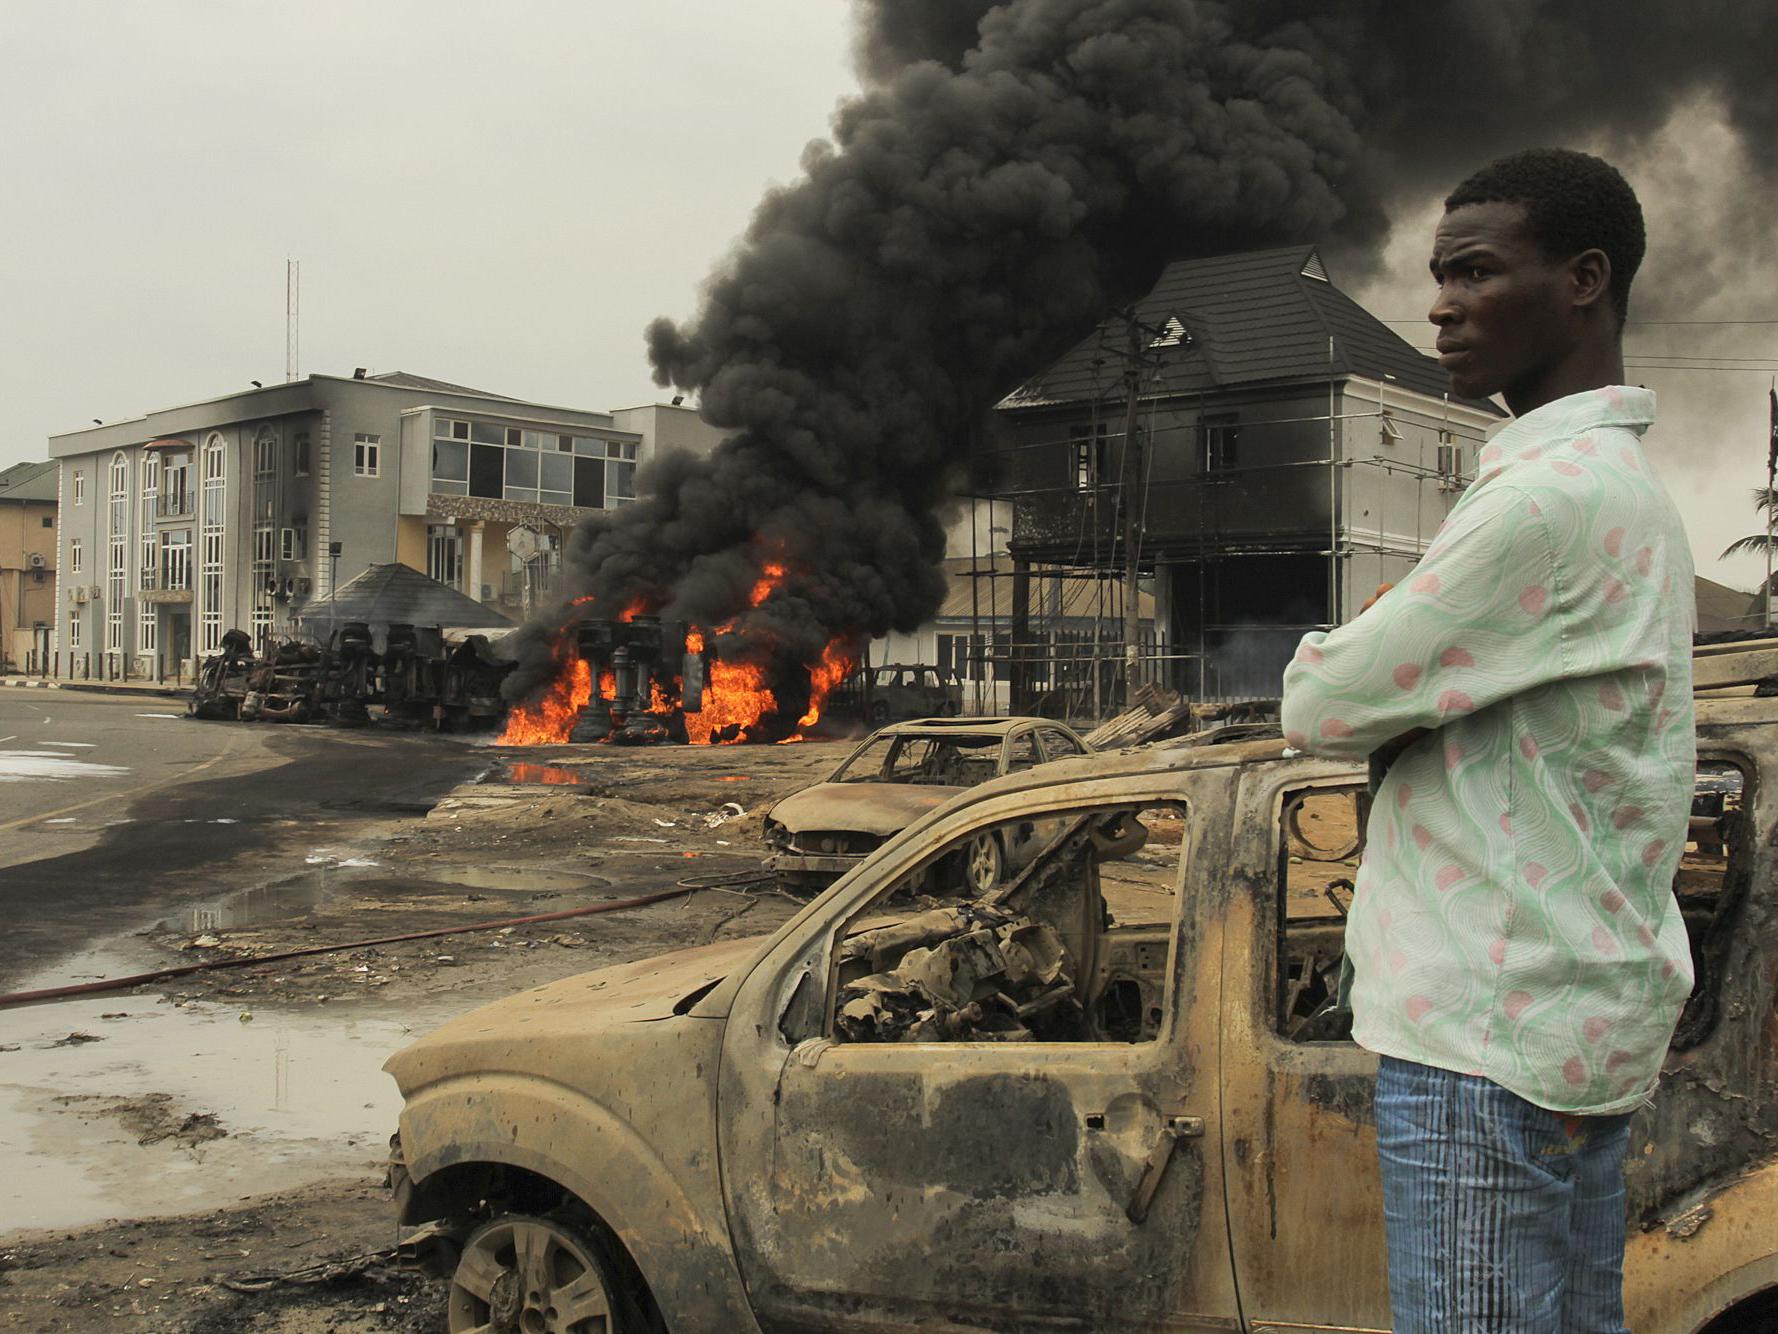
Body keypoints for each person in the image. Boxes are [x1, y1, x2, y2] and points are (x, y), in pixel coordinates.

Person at [1280, 148, 1696, 1332]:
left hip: (1481, 1035)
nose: (1438, 304)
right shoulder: (1623, 489)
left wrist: (1356, 641)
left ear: (1582, 279)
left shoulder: (1537, 500)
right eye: (1434, 274)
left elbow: (1319, 701)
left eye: (1473, 271)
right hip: (1568, 1018)